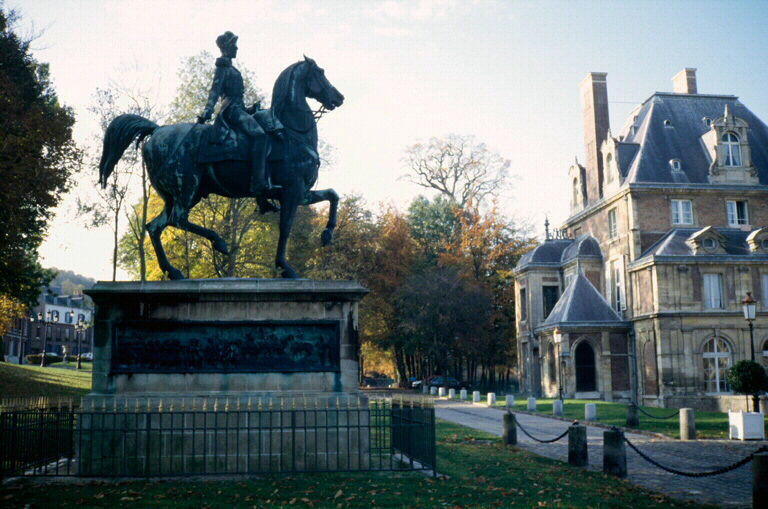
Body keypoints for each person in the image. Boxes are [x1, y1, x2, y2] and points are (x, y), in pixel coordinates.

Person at [197, 31, 271, 193]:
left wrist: (250, 109)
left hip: (238, 108)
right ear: (226, 47)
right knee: (260, 135)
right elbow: (215, 91)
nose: (237, 48)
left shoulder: (232, 68)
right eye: (234, 45)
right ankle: (258, 182)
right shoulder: (222, 67)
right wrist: (208, 110)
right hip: (231, 110)